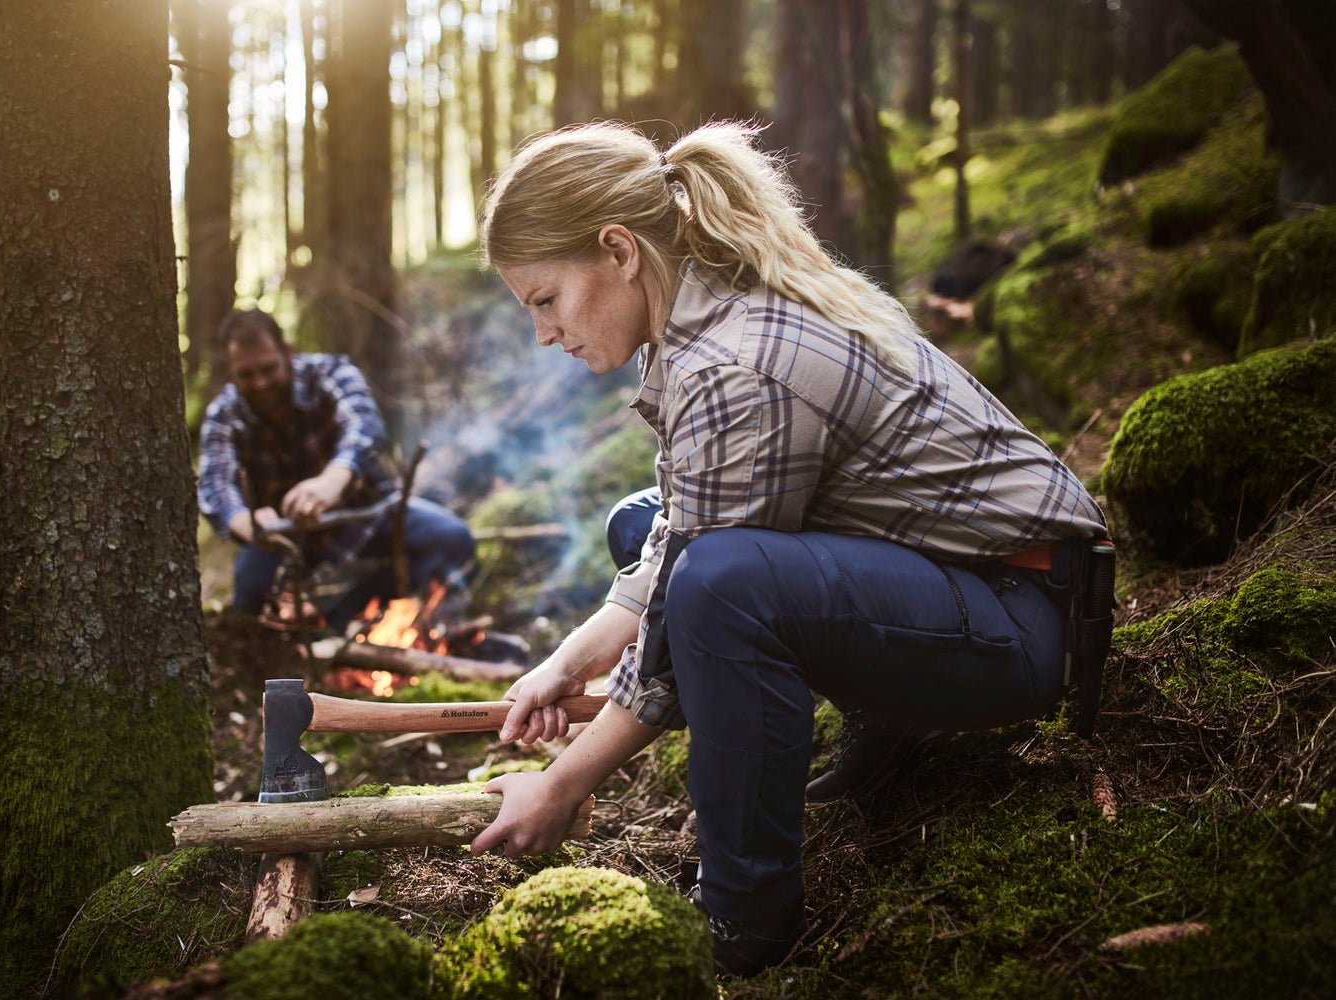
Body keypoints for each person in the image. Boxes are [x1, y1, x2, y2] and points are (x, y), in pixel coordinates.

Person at [466, 122, 1111, 976]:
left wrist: (562, 784)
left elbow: (695, 604)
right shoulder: (702, 317)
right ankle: (895, 724)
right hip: (959, 583)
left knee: (724, 586)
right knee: (645, 524)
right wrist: (567, 661)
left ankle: (746, 916)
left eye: (545, 300)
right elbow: (678, 531)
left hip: (1024, 621)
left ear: (618, 249)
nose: (546, 333)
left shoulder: (737, 363)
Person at [197, 308, 475, 627]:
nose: (260, 384)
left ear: (287, 352)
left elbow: (365, 426)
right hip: (282, 540)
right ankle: (308, 633)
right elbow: (214, 484)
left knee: (452, 539)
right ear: (230, 369)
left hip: (368, 519)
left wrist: (332, 480)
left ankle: (349, 614)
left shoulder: (330, 373)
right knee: (251, 600)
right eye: (246, 375)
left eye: (268, 369)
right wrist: (246, 523)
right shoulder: (224, 413)